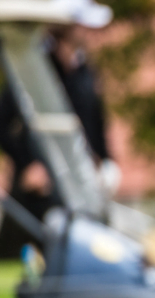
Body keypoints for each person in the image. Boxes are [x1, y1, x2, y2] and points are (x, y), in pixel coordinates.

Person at [0, 8, 116, 258]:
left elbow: (95, 121)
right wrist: (28, 163)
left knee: (86, 241)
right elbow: (3, 122)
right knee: (38, 247)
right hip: (41, 180)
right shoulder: (36, 69)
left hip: (79, 176)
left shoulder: (85, 70)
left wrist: (106, 160)